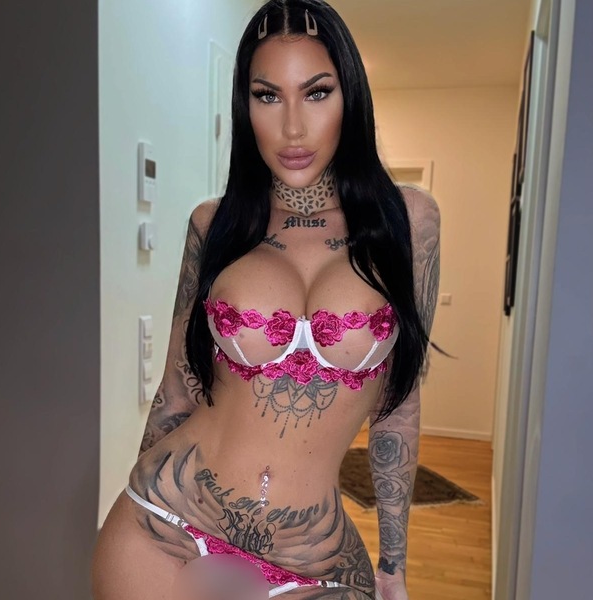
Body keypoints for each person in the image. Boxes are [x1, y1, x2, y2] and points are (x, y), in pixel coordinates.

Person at [91, 1, 440, 599]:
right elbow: (178, 391)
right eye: (268, 96)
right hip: (166, 527)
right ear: (245, 105)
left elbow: (399, 408)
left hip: (316, 562)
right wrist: (139, 492)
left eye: (317, 92)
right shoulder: (215, 225)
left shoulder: (408, 223)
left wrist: (393, 564)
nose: (293, 128)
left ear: (350, 98)